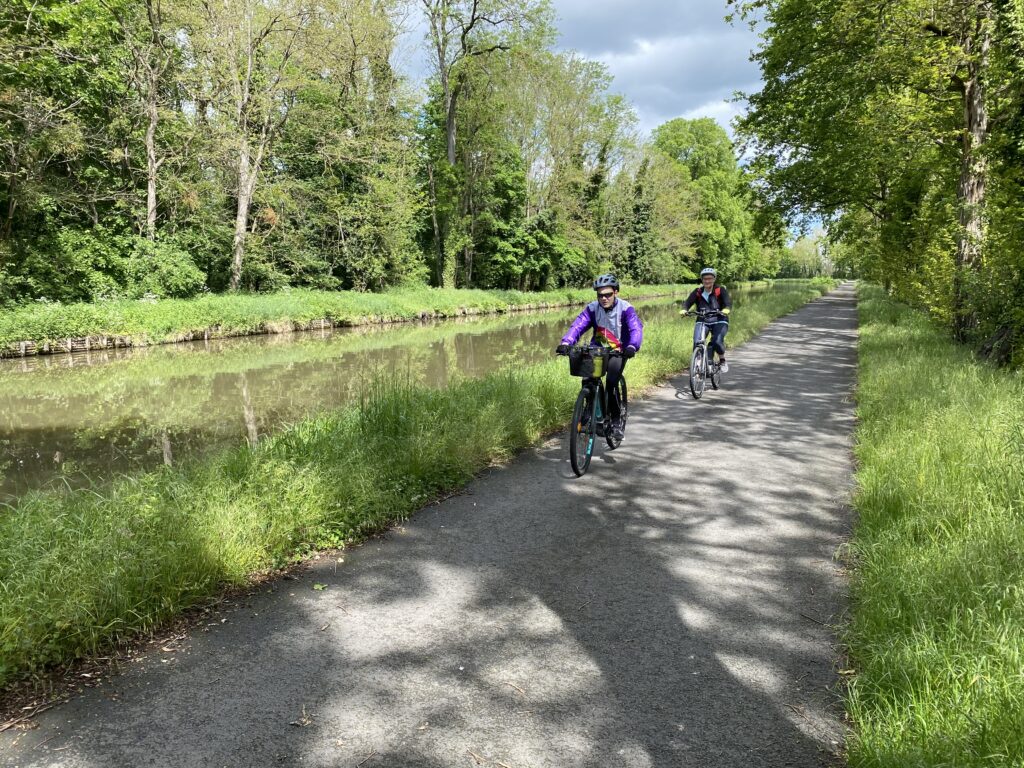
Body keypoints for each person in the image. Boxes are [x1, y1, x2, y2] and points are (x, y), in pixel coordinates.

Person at [556, 274, 643, 440]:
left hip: (620, 349)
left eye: (608, 294)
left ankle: (616, 422)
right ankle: (590, 408)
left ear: (616, 292)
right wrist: (566, 343)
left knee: (611, 383)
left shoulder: (626, 309)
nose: (604, 298)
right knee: (588, 377)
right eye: (600, 295)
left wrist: (632, 346)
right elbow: (578, 325)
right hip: (599, 347)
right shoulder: (592, 308)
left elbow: (635, 329)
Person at [681, 267, 732, 372]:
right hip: (703, 320)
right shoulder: (698, 292)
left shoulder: (720, 290)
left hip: (720, 319)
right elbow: (687, 302)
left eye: (710, 278)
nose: (707, 281)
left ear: (714, 279)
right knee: (697, 342)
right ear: (702, 280)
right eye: (705, 279)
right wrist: (684, 309)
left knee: (717, 341)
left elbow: (728, 302)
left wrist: (726, 309)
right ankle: (698, 363)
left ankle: (722, 360)